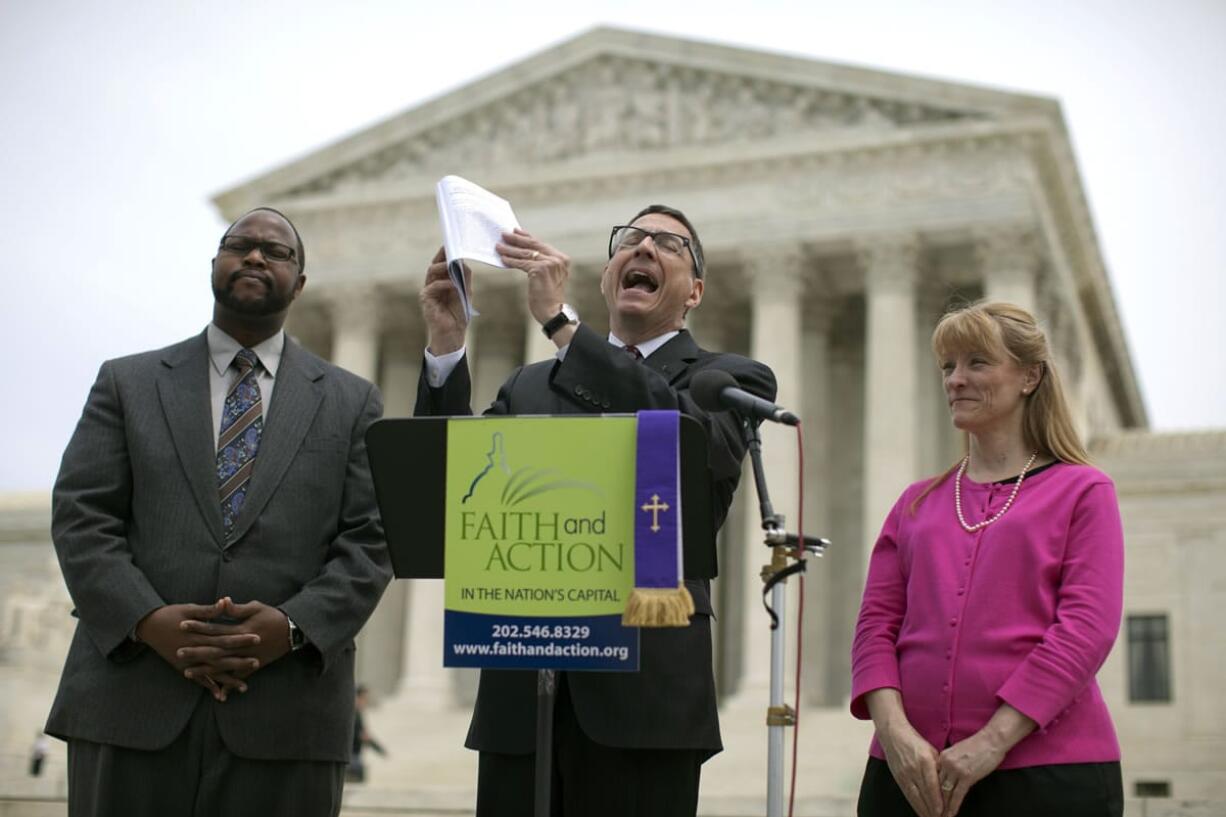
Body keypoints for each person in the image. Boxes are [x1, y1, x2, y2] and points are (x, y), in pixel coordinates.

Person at [416, 204, 777, 817]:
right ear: (609, 274)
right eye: (630, 240)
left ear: (694, 291)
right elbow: (439, 486)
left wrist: (562, 325)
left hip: (645, 701)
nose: (643, 248)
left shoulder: (727, 380)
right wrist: (447, 348)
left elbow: (689, 444)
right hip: (522, 693)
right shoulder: (529, 386)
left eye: (669, 244)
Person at [47, 207, 391, 817]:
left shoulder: (352, 401)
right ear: (215, 265)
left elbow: (372, 540)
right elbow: (82, 517)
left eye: (277, 252)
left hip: (289, 713)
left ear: (301, 284)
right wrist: (150, 621)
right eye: (241, 245)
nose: (256, 257)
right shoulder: (128, 383)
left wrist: (290, 627)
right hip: (132, 700)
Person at [850, 300, 1125, 817]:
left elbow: (1087, 628)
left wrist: (993, 741)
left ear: (1029, 376)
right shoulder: (914, 504)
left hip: (1049, 777)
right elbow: (874, 627)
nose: (956, 379)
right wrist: (896, 735)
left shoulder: (1084, 491)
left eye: (977, 362)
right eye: (948, 367)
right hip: (906, 776)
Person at [346, 684, 387, 783]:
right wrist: (379, 749)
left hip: (353, 755)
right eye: (365, 698)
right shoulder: (354, 714)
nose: (366, 701)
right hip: (351, 756)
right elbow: (364, 736)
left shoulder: (357, 713)